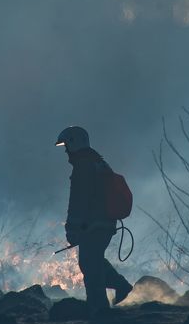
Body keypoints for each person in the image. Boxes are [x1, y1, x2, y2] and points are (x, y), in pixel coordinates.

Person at [56, 126, 133, 311]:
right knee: (92, 261)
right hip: (104, 224)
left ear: (74, 144)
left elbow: (78, 200)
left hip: (93, 225)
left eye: (66, 145)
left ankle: (98, 309)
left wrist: (71, 228)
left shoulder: (83, 166)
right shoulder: (96, 162)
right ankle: (120, 286)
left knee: (91, 267)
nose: (66, 150)